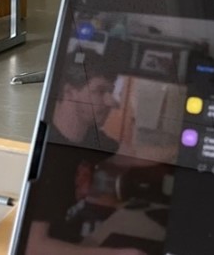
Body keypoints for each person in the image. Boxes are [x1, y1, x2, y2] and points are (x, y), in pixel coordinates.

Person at [24, 53, 154, 255]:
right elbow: (33, 247)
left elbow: (132, 155)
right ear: (69, 91)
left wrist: (187, 152)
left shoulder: (89, 137)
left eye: (110, 91)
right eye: (100, 91)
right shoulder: (49, 155)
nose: (111, 101)